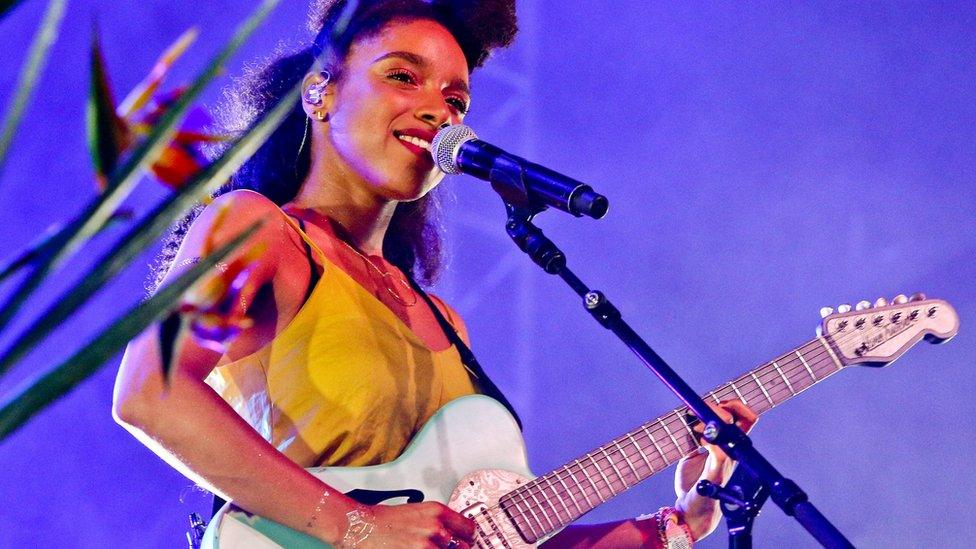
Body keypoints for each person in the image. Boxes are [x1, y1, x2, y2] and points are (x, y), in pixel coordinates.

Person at [113, 0, 756, 546]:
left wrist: (688, 518)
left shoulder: (443, 321)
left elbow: (495, 538)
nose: (439, 113)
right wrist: (359, 528)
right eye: (403, 77)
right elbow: (150, 394)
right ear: (321, 91)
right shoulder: (257, 229)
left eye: (455, 99)